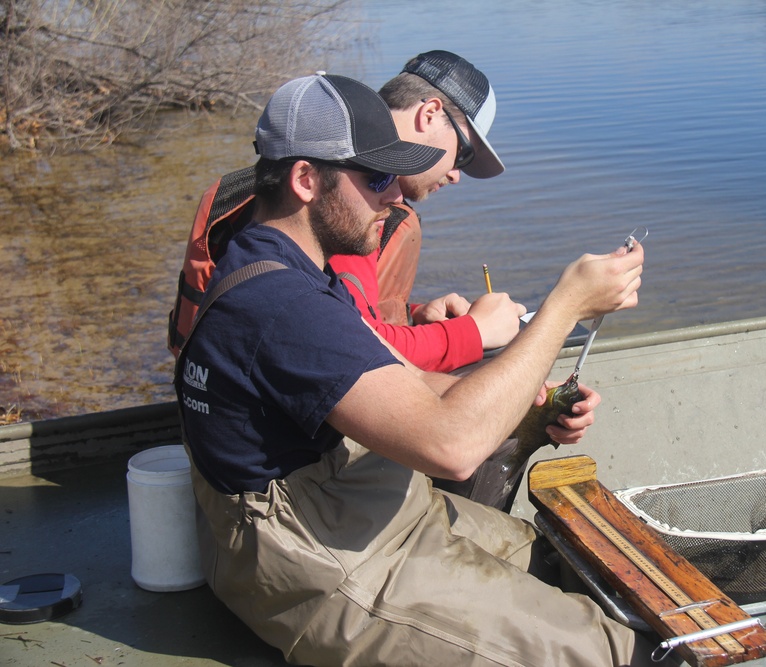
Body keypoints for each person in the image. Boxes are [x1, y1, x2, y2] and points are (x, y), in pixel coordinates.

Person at [175, 73, 651, 666]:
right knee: (615, 652)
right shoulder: (278, 305)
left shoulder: (296, 270)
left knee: (567, 565)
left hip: (365, 513)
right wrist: (565, 307)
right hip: (325, 566)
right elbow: (450, 447)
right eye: (376, 178)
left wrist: (524, 396)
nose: (394, 196)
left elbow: (411, 382)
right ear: (304, 180)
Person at [329, 49, 517, 373]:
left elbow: (343, 312)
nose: (457, 175)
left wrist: (415, 316)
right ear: (429, 114)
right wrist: (474, 331)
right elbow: (354, 348)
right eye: (463, 155)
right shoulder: (347, 198)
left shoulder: (326, 152)